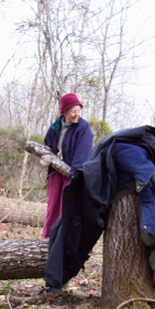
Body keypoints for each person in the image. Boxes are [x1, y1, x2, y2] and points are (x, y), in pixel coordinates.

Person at [41, 93, 93, 238]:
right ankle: (47, 241)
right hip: (55, 172)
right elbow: (48, 146)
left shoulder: (83, 128)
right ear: (64, 112)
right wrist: (45, 156)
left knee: (68, 209)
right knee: (52, 209)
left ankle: (65, 243)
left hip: (72, 174)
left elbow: (83, 154)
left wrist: (75, 176)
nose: (77, 114)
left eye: (79, 110)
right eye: (73, 111)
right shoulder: (55, 127)